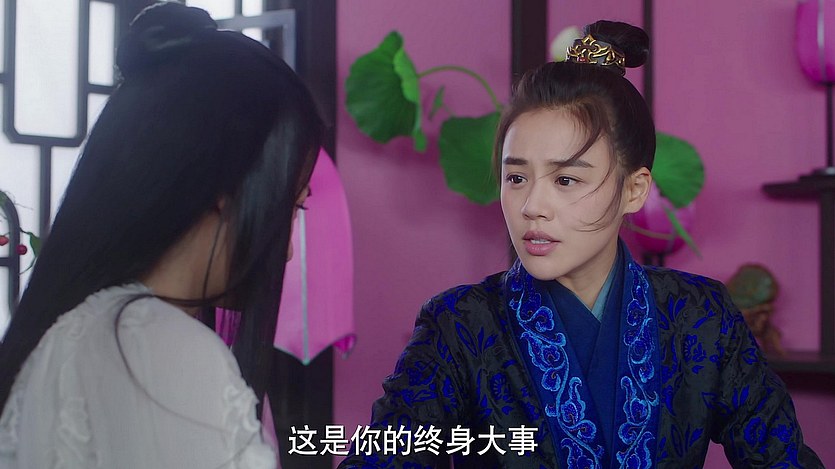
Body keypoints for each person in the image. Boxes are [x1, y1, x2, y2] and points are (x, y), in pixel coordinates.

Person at [339, 20, 822, 468]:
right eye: (516, 177)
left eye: (566, 179)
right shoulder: (458, 325)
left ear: (634, 189)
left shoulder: (702, 317)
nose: (532, 206)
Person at [0, 2, 322, 468]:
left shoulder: (100, 332)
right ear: (229, 185)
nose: (287, 250)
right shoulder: (155, 347)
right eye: (292, 204)